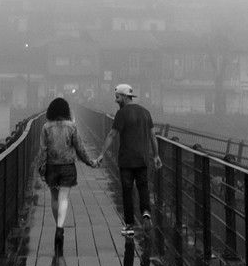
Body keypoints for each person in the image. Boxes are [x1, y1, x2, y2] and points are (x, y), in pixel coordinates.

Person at [96, 83, 162, 236]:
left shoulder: (122, 114)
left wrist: (101, 154)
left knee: (127, 191)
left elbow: (112, 135)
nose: (116, 100)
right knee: (143, 187)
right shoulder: (146, 112)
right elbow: (153, 136)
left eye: (117, 97)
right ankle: (146, 212)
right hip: (143, 159)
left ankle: (129, 225)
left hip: (126, 160)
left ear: (125, 97)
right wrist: (156, 155)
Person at [38, 97, 98, 247]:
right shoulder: (72, 126)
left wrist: (42, 167)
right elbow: (79, 148)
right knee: (64, 197)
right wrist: (90, 162)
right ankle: (60, 227)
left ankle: (58, 226)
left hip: (51, 166)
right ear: (66, 110)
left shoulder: (46, 127)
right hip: (68, 166)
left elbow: (43, 150)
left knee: (54, 197)